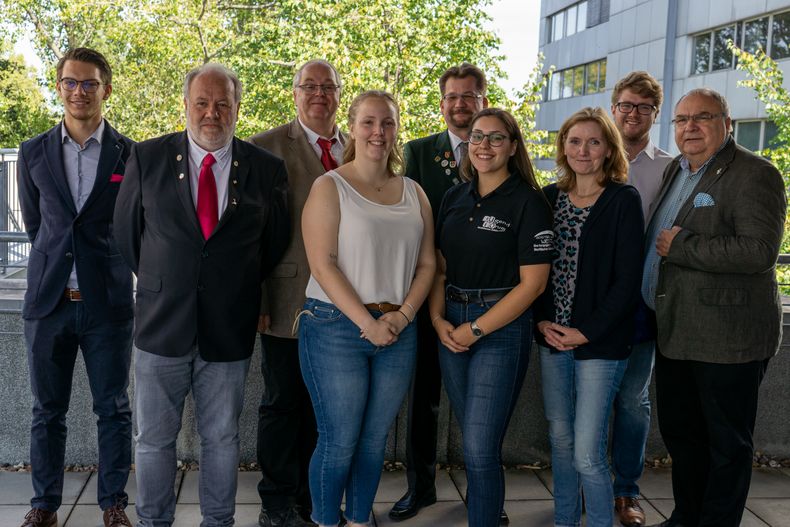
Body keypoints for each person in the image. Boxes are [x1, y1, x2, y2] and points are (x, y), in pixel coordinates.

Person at [113, 63, 289, 527]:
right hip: (160, 324)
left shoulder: (265, 169)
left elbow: (274, 243)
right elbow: (128, 235)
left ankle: (219, 522)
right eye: (202, 103)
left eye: (223, 104)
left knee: (222, 438)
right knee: (152, 440)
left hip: (228, 327)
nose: (212, 113)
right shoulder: (147, 157)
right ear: (186, 105)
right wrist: (166, 279)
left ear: (237, 108)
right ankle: (153, 522)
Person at [644, 88, 785, 527]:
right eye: (682, 119)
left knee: (726, 444)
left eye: (702, 117)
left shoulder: (754, 173)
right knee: (684, 437)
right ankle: (687, 516)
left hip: (729, 338)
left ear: (727, 122)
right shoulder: (676, 170)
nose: (690, 127)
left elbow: (758, 251)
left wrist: (681, 245)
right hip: (674, 329)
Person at [299, 90, 435, 527]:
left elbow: (428, 262)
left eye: (388, 123)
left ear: (397, 129)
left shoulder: (415, 192)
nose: (379, 132)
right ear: (353, 129)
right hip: (336, 327)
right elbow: (323, 264)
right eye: (369, 123)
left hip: (399, 328)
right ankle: (325, 520)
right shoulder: (329, 186)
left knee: (375, 441)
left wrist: (403, 315)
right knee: (340, 440)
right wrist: (368, 323)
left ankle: (358, 520)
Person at [16, 47, 134, 527]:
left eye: (89, 83)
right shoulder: (33, 151)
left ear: (106, 88)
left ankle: (113, 505)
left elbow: (131, 226)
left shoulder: (131, 154)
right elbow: (36, 225)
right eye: (70, 82)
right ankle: (44, 506)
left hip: (106, 303)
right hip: (49, 304)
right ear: (59, 86)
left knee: (114, 409)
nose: (78, 91)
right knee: (47, 411)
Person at [430, 107, 553, 527]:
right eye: (477, 137)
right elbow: (439, 267)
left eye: (496, 137)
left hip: (498, 328)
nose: (485, 145)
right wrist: (437, 320)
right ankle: (491, 514)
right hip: (451, 322)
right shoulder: (454, 197)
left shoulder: (527, 202)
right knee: (474, 442)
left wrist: (476, 328)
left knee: (481, 446)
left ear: (513, 146)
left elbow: (533, 285)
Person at [535, 107, 644, 527]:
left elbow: (627, 281)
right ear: (563, 146)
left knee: (586, 452)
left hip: (599, 344)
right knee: (560, 442)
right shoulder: (548, 198)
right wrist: (542, 323)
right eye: (575, 141)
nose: (583, 150)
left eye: (594, 141)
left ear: (608, 149)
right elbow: (534, 270)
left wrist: (585, 332)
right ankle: (565, 521)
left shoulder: (622, 200)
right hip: (552, 339)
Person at [248, 59, 345, 527]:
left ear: (340, 95)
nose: (319, 94)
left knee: (323, 406)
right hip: (286, 299)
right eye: (310, 86)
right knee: (283, 402)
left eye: (328, 86)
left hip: (345, 305)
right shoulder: (264, 147)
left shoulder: (357, 145)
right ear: (295, 93)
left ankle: (313, 499)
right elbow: (250, 234)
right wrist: (259, 302)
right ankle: (277, 502)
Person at [391, 62, 489, 522]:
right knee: (425, 397)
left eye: (469, 96)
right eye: (452, 96)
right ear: (442, 102)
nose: (460, 104)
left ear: (483, 101)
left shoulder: (498, 146)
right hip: (429, 293)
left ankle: (484, 494)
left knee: (481, 404)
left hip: (488, 298)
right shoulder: (418, 152)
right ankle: (422, 487)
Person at [609, 71, 672, 527]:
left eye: (643, 108)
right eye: (626, 105)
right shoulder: (587, 156)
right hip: (590, 300)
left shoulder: (670, 167)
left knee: (632, 401)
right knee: (582, 401)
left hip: (642, 302)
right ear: (613, 107)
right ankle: (582, 483)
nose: (633, 114)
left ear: (655, 113)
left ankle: (625, 492)